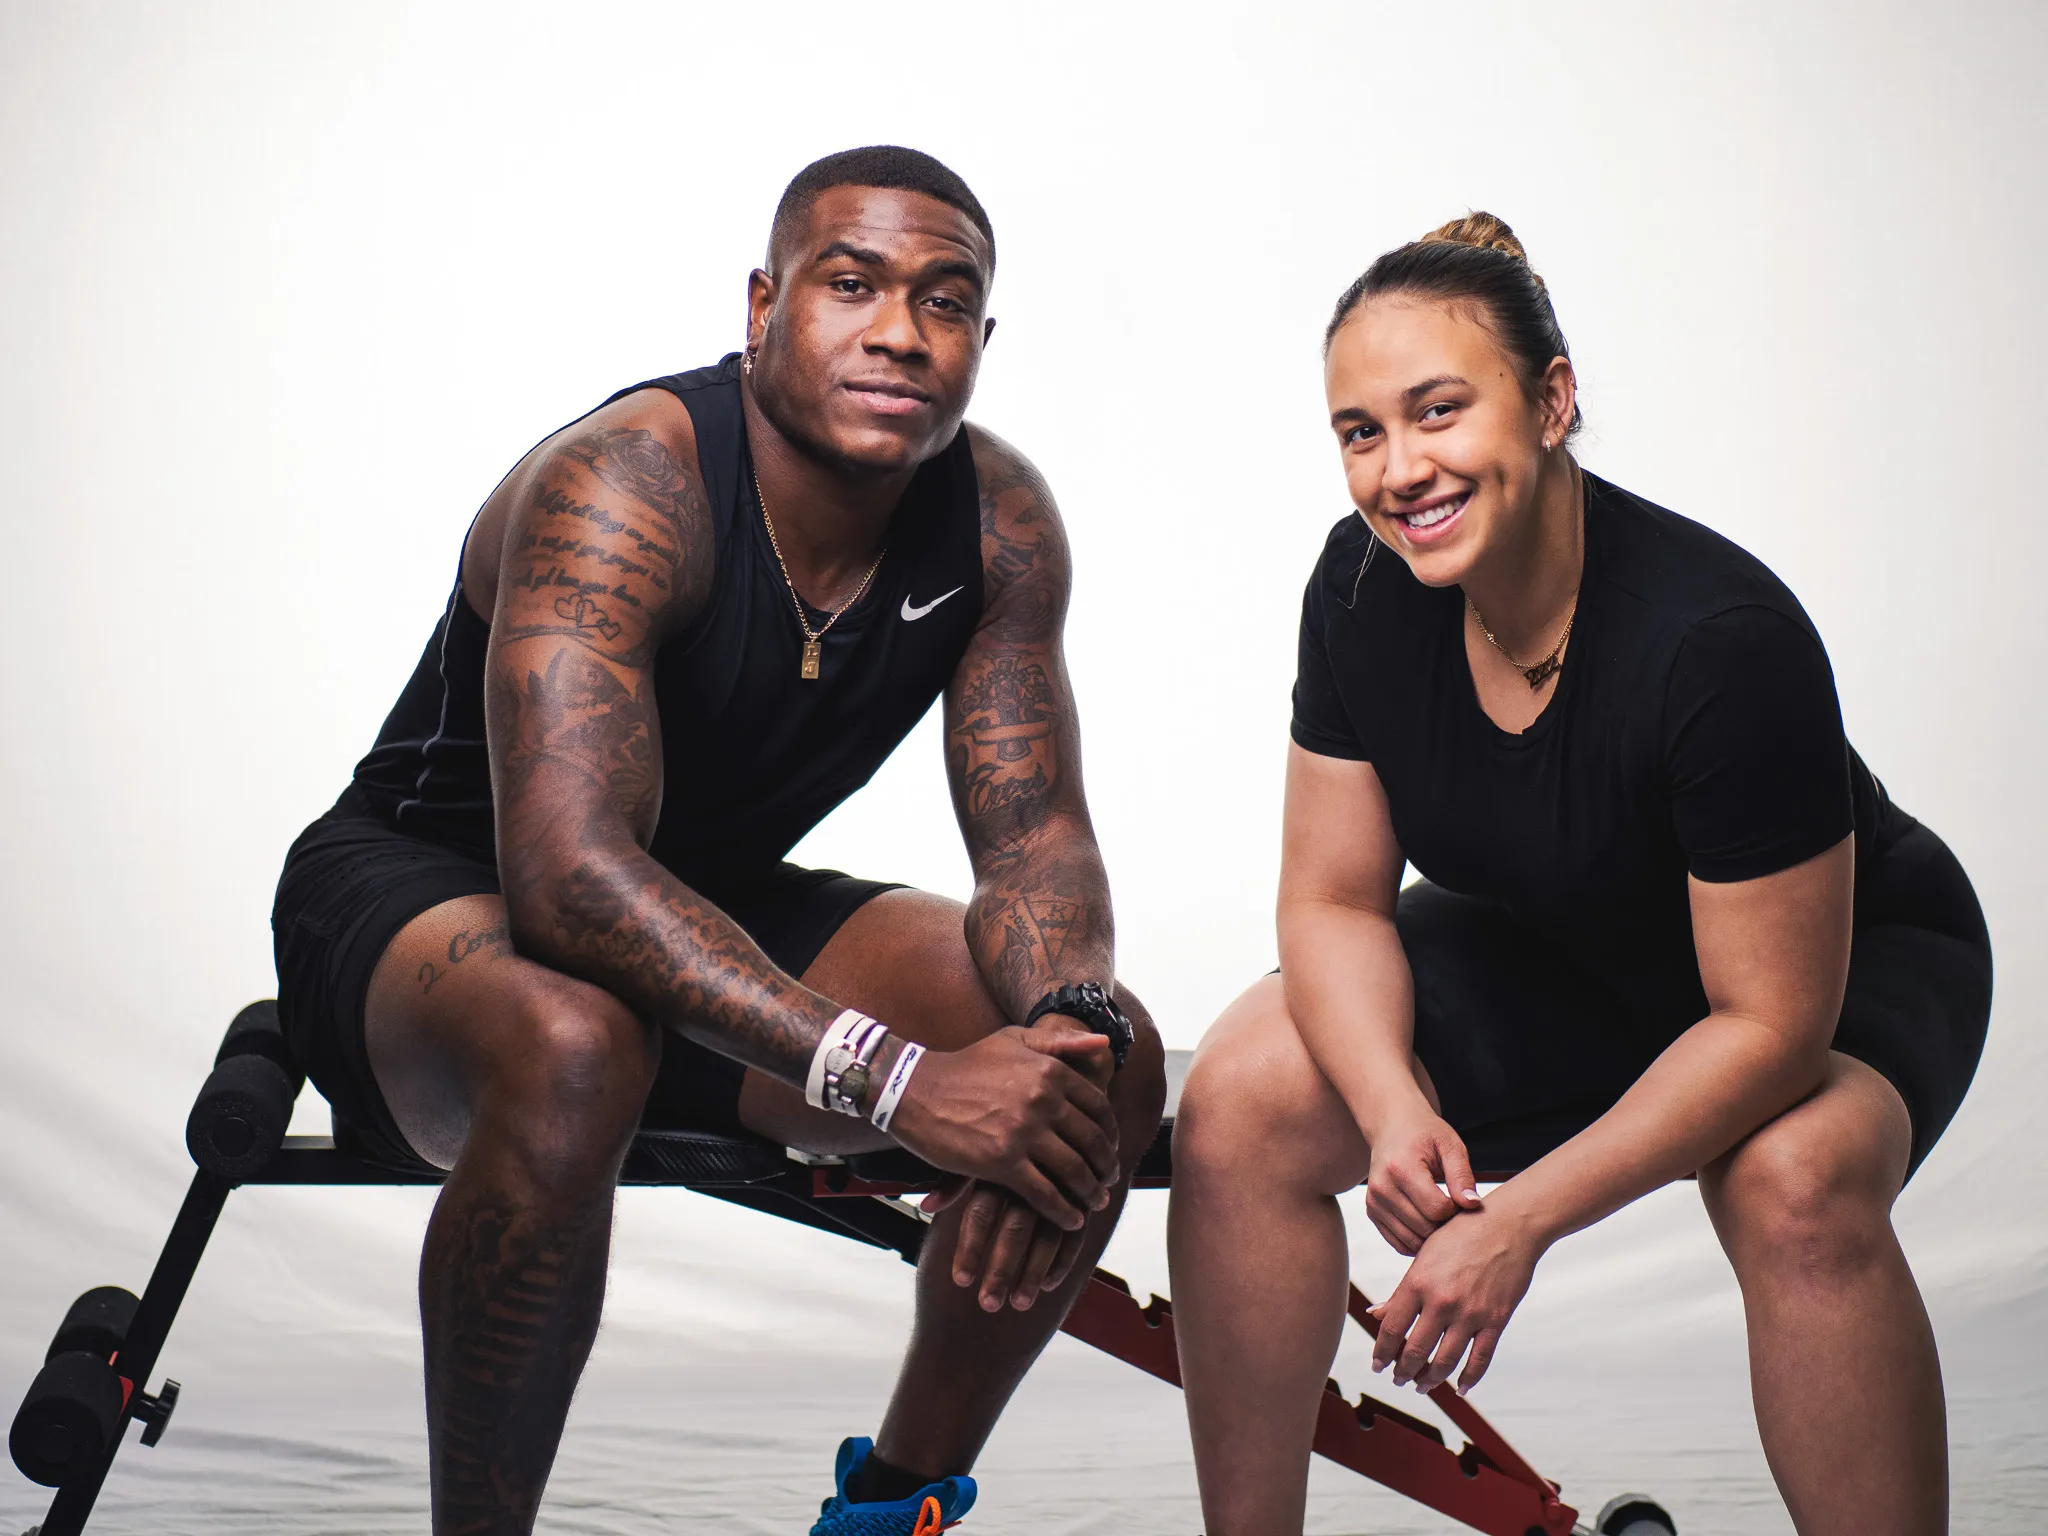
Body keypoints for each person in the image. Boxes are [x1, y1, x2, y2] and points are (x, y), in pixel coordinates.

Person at [270, 144, 1165, 1536]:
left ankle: (885, 1514)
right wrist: (895, 1081)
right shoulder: (625, 486)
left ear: (982, 342)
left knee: (1104, 1061)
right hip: (436, 900)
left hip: (708, 913)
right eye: (851, 284)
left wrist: (1067, 1022)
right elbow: (568, 883)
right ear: (764, 307)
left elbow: (1034, 838)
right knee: (578, 1043)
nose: (897, 332)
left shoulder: (997, 518)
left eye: (943, 302)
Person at [1166, 214, 1989, 1536]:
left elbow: (1772, 1027)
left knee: (1790, 1181)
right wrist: (1388, 1109)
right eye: (1360, 431)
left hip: (1824, 972)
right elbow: (1330, 900)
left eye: (1439, 411)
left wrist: (1518, 1221)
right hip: (1559, 942)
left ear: (1552, 402)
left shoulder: (1723, 642)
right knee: (1246, 1091)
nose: (1398, 470)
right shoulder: (1365, 586)